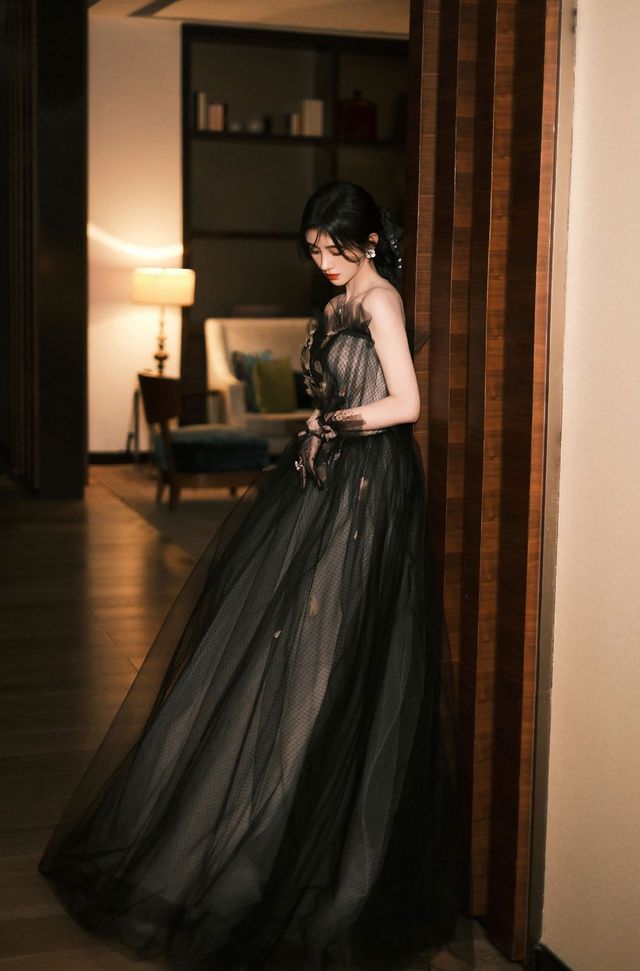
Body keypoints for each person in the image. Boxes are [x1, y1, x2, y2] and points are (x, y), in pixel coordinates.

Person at [38, 180, 463, 970]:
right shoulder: (338, 303)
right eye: (314, 248)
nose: (323, 260)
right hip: (333, 476)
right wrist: (320, 427)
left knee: (339, 644)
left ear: (370, 241)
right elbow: (349, 390)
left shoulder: (381, 301)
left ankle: (323, 825)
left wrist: (328, 421)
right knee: (284, 635)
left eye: (336, 246)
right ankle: (272, 805)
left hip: (372, 486)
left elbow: (404, 403)